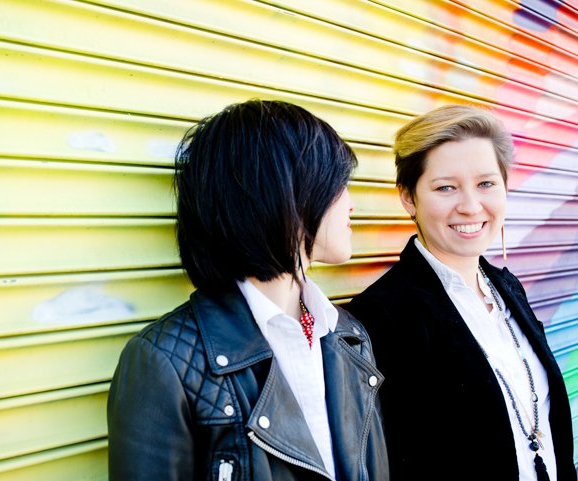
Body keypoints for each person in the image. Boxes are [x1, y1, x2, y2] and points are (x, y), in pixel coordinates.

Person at [108, 99, 389, 481]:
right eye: (338, 185)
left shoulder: (347, 335)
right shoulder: (163, 362)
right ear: (284, 192)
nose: (352, 204)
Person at [346, 105, 577, 481]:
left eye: (486, 184)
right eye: (445, 187)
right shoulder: (379, 317)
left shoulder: (507, 288)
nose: (470, 206)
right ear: (408, 197)